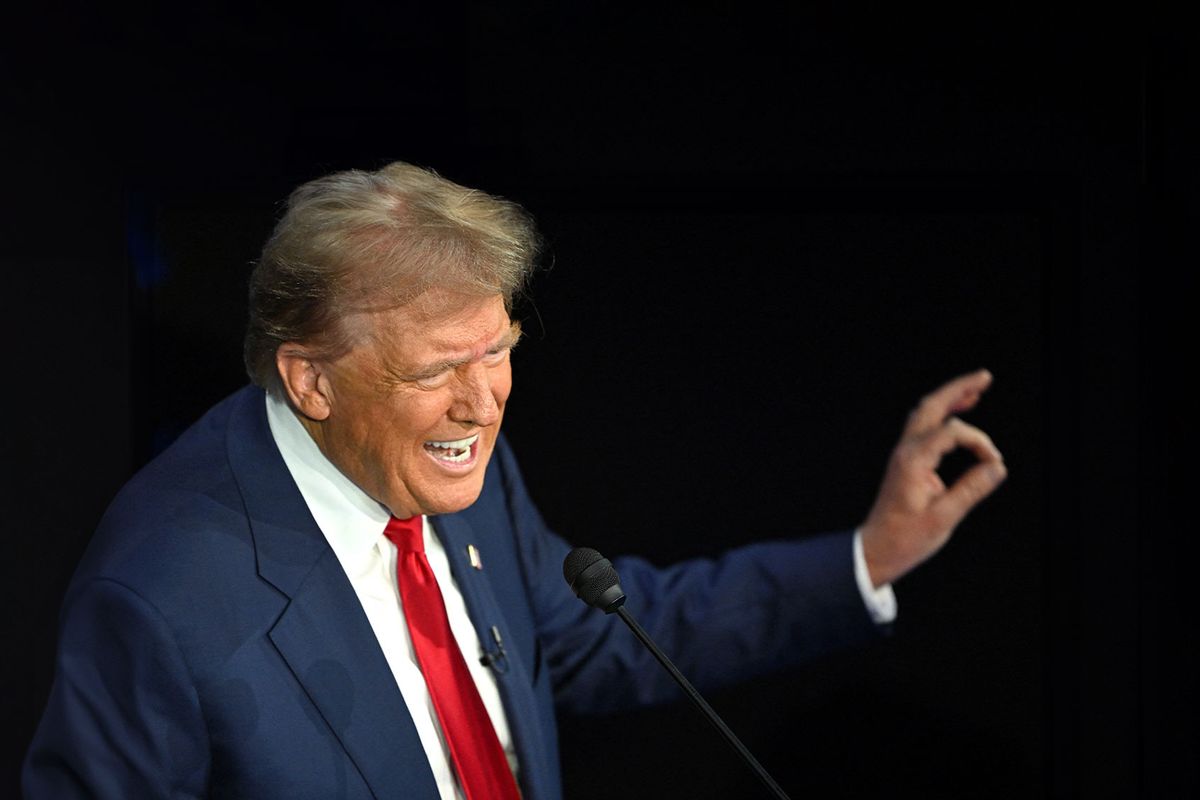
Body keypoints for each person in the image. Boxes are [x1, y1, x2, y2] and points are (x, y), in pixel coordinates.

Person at [22, 161, 1006, 799]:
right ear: (310, 377)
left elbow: (583, 638)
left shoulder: (456, 464)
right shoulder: (158, 596)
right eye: (436, 368)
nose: (481, 402)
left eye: (497, 350)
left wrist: (869, 554)